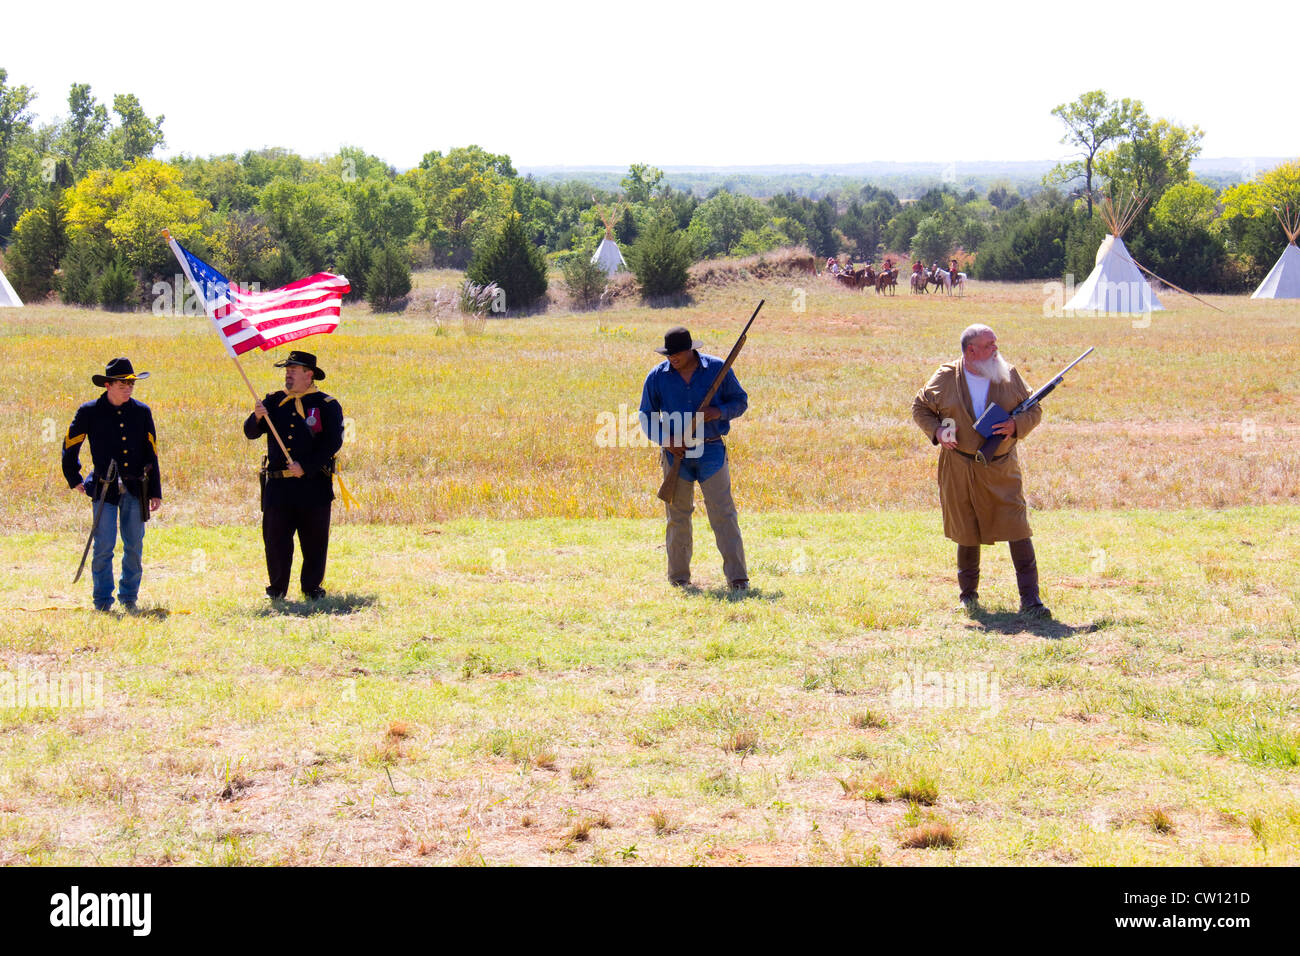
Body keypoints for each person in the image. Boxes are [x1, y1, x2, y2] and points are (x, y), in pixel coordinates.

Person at [911, 324, 1050, 619]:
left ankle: (1031, 600)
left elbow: (1033, 409)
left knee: (1018, 527)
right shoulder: (946, 376)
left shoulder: (1008, 374)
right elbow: (920, 407)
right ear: (970, 351)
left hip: (1000, 467)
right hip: (958, 467)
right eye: (989, 345)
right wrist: (937, 430)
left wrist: (1016, 426)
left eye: (996, 343)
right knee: (966, 530)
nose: (995, 349)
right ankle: (968, 597)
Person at [639, 326, 749, 590]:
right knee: (677, 518)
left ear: (691, 350)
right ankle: (679, 579)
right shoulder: (657, 377)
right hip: (676, 456)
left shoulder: (718, 369)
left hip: (711, 450)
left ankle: (737, 579)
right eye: (669, 354)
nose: (672, 358)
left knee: (723, 514)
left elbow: (740, 402)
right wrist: (667, 441)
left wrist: (718, 411)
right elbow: (646, 416)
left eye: (677, 354)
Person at [62, 358, 162, 612]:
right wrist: (74, 477)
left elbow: (152, 453)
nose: (128, 388)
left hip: (136, 487)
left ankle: (129, 598)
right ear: (107, 385)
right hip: (103, 488)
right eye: (122, 384)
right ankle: (103, 602)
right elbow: (70, 445)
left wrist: (155, 490)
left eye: (131, 383)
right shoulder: (89, 411)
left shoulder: (142, 411)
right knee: (104, 546)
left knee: (134, 546)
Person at [243, 350, 344, 600]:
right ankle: (276, 589)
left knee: (314, 541)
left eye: (293, 370)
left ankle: (312, 588)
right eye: (287, 371)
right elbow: (250, 432)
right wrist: (256, 417)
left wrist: (306, 466)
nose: (288, 375)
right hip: (278, 487)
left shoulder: (326, 404)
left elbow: (333, 442)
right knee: (276, 541)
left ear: (309, 375)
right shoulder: (274, 401)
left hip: (313, 485)